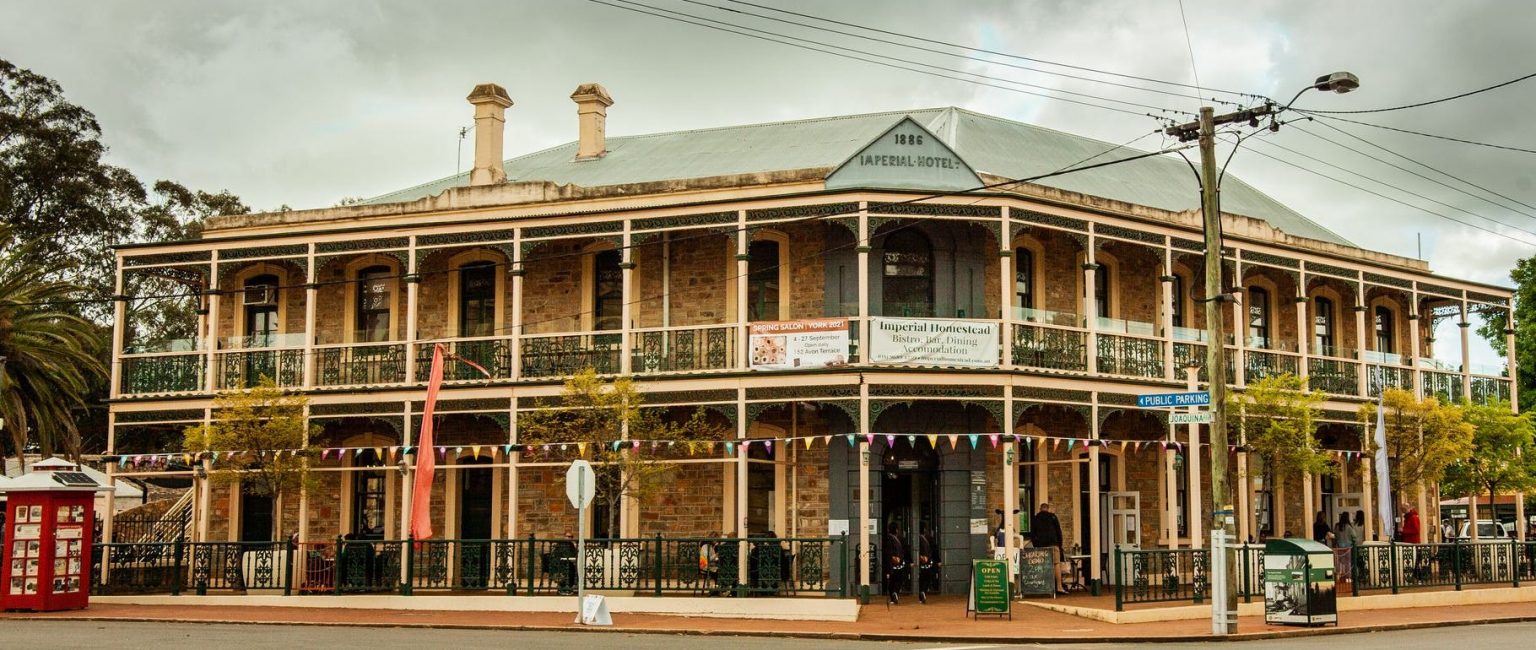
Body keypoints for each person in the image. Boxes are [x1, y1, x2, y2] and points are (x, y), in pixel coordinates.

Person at [1029, 502, 1068, 595]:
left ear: (1040, 508)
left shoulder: (1036, 518)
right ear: (1048, 508)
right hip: (1053, 543)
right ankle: (1059, 587)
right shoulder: (1053, 517)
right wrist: (1059, 545)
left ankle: (1044, 587)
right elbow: (1059, 532)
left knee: (1042, 566)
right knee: (1056, 564)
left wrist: (1036, 545)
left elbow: (1032, 533)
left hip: (1041, 545)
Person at [883, 523, 907, 605]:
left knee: (891, 581)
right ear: (897, 530)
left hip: (890, 564)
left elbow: (886, 553)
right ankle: (896, 592)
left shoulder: (887, 539)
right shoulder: (902, 539)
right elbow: (906, 550)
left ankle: (892, 598)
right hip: (900, 564)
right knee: (899, 580)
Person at [916, 528, 939, 604]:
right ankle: (923, 592)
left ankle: (921, 595)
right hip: (928, 563)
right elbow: (934, 549)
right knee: (927, 579)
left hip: (920, 563)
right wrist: (938, 560)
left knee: (921, 580)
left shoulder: (917, 539)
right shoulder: (928, 539)